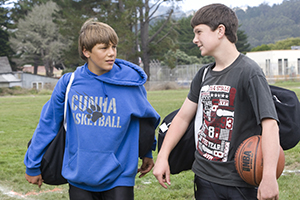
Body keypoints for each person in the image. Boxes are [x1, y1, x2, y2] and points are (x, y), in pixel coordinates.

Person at [153, 3, 280, 200]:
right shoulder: (203, 74)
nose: (195, 39)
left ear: (220, 30)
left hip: (240, 181)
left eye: (199, 32)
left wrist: (269, 176)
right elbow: (182, 118)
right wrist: (162, 156)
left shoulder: (249, 71)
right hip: (204, 178)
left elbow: (270, 125)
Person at [24, 19, 160, 200]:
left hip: (120, 176)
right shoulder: (69, 83)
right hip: (80, 175)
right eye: (104, 48)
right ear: (86, 51)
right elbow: (47, 125)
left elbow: (146, 120)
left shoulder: (130, 84)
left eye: (114, 47)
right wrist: (32, 165)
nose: (111, 53)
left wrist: (147, 152)